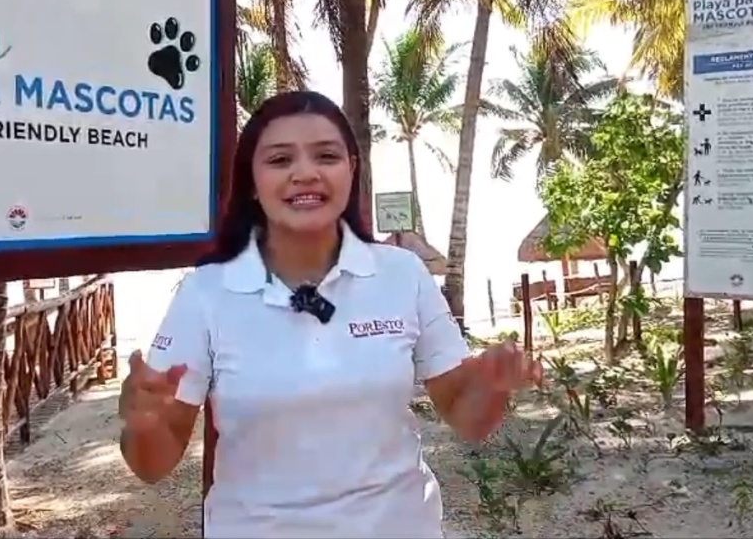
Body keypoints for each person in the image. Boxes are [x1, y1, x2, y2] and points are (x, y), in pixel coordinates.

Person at [118, 90, 542, 538]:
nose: (305, 174)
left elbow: (467, 418)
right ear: (251, 184)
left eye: (326, 156)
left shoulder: (402, 274)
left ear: (351, 170)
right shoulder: (206, 293)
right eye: (280, 160)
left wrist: (492, 384)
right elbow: (152, 466)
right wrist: (143, 421)